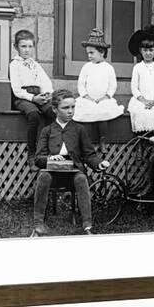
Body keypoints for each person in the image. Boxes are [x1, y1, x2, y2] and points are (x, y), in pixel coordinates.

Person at [31, 89, 110, 237]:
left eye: (73, 107)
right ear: (54, 109)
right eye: (65, 108)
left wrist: (98, 163)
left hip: (73, 173)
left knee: (81, 178)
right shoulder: (47, 131)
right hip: (53, 173)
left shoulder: (79, 129)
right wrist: (50, 158)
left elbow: (89, 154)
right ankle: (38, 224)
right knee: (43, 176)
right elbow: (38, 158)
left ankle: (87, 225)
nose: (70, 111)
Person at [9, 29, 55, 170]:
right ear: (16, 47)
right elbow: (16, 89)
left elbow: (46, 82)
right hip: (22, 97)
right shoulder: (14, 64)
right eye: (23, 46)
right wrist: (33, 98)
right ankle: (32, 154)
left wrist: (46, 94)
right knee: (34, 115)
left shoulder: (35, 64)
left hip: (38, 96)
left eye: (30, 46)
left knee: (52, 112)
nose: (27, 50)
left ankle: (48, 150)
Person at [73, 28, 124, 154]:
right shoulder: (86, 67)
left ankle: (102, 140)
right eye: (88, 53)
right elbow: (81, 85)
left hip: (103, 99)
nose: (89, 56)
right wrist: (86, 96)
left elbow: (112, 86)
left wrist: (106, 96)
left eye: (92, 53)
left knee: (103, 113)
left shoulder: (108, 68)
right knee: (85, 112)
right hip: (88, 99)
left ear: (101, 52)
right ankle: (88, 142)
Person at [126, 24, 154, 133]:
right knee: (140, 113)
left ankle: (153, 139)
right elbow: (134, 88)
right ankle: (141, 139)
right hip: (141, 99)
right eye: (145, 50)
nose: (148, 53)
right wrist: (144, 101)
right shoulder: (138, 67)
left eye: (151, 50)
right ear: (141, 51)